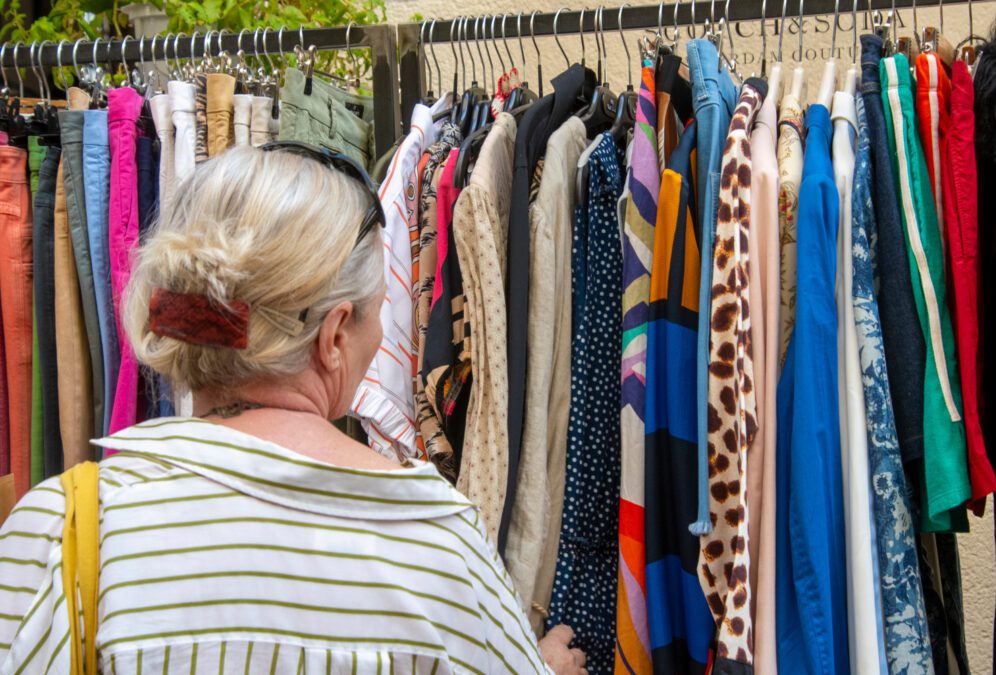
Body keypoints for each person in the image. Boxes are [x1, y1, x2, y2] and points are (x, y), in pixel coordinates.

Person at [0, 144, 588, 674]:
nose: (381, 330)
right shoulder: (435, 545)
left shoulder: (62, 532)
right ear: (333, 337)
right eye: (378, 310)